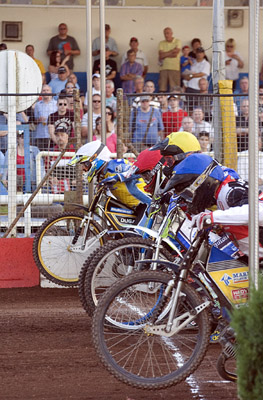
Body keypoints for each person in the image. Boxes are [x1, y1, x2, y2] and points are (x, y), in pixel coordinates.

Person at [168, 152, 263, 259]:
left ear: (203, 181)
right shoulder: (222, 189)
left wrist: (212, 218)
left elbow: (258, 212)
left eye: (190, 191)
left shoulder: (230, 192)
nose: (191, 197)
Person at [68, 141, 152, 211]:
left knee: (134, 231)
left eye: (85, 164)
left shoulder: (115, 165)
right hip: (133, 208)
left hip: (146, 205)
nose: (83, 168)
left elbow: (138, 171)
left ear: (95, 159)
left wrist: (117, 177)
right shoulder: (103, 174)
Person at [33, 84, 58, 151]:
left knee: (51, 155)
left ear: (51, 92)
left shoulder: (56, 104)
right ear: (41, 93)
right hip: (40, 134)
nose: (46, 92)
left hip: (52, 135)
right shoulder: (38, 105)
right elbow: (35, 120)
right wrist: (39, 120)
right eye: (44, 90)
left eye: (47, 90)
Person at [158, 27, 181, 92]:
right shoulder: (161, 43)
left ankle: (175, 102)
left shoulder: (177, 41)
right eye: (165, 33)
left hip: (174, 68)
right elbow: (161, 55)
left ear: (172, 33)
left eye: (168, 33)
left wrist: (165, 54)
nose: (166, 35)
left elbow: (175, 54)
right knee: (162, 89)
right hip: (163, 68)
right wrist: (172, 51)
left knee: (175, 89)